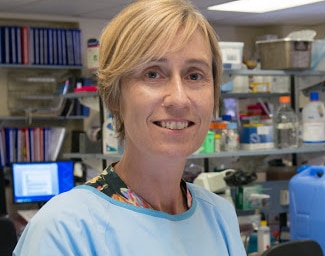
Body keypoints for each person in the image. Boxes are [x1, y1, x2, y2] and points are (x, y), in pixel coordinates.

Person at [13, 0, 247, 255]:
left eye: (194, 75)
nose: (179, 99)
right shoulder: (64, 229)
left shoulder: (219, 215)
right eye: (153, 74)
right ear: (114, 95)